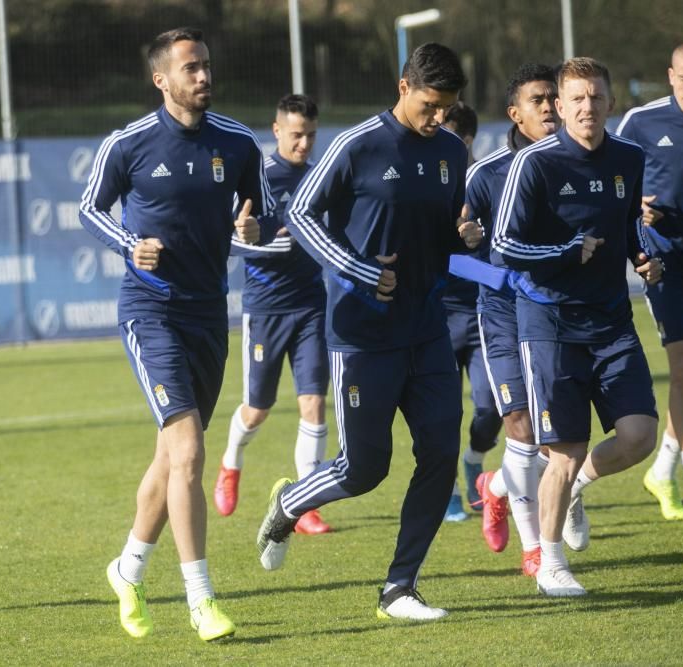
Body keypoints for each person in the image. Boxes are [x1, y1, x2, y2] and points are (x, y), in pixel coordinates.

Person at [256, 43, 482, 621]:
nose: (438, 119)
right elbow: (299, 214)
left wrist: (468, 239)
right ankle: (289, 503)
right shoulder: (357, 145)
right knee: (364, 468)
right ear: (404, 87)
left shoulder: (452, 151)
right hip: (360, 335)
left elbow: (446, 237)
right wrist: (358, 270)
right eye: (431, 105)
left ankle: (399, 588)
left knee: (439, 453)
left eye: (447, 108)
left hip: (428, 330)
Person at [78, 27, 275, 642]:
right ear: (161, 80)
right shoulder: (129, 143)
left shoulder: (239, 143)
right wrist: (129, 246)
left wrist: (253, 224)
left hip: (208, 315)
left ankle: (128, 568)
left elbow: (262, 215)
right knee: (188, 453)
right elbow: (90, 208)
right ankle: (200, 600)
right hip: (151, 311)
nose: (204, 77)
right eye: (191, 69)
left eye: (207, 66)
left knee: (171, 459)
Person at [492, 57, 662, 597]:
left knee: (639, 437)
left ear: (612, 103)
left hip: (612, 324)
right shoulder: (535, 164)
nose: (587, 107)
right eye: (577, 99)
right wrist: (568, 250)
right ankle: (552, 563)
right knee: (562, 451)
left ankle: (580, 488)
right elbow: (503, 246)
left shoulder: (629, 158)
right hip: (550, 324)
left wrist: (645, 255)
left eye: (597, 97)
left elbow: (630, 223)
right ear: (560, 107)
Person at [456, 64, 560, 576]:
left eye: (553, 97)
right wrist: (488, 264)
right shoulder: (484, 175)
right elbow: (448, 255)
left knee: (552, 436)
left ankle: (493, 485)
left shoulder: (576, 164)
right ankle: (534, 546)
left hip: (557, 313)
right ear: (514, 113)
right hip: (500, 315)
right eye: (537, 99)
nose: (548, 106)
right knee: (519, 425)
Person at [214, 93, 332, 535]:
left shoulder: (320, 178)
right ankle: (231, 464)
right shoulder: (258, 178)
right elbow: (229, 240)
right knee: (257, 409)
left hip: (311, 307)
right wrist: (269, 242)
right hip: (265, 310)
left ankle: (306, 501)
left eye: (311, 135)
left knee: (314, 403)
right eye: (297, 134)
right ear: (277, 130)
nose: (304, 144)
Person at [616, 43, 683, 521]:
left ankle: (662, 467)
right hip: (666, 264)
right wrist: (637, 206)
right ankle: (675, 468)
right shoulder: (642, 122)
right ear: (670, 75)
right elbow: (611, 176)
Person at [439, 101, 502, 522]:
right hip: (437, 314)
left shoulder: (489, 180)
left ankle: (475, 460)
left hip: (482, 313)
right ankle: (445, 494)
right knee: (441, 413)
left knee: (493, 406)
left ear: (466, 140)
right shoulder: (430, 181)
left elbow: (501, 252)